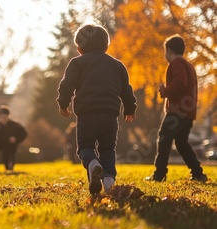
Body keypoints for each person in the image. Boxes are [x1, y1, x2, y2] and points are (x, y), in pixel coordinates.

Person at [57, 23, 137, 194]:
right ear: (107, 47)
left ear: (79, 48)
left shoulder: (77, 63)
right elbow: (126, 89)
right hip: (110, 116)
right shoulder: (117, 65)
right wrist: (130, 108)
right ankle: (108, 181)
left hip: (87, 115)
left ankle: (93, 164)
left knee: (85, 147)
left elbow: (67, 86)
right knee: (107, 149)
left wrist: (63, 105)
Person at [146, 35, 207, 183]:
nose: (165, 55)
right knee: (181, 143)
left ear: (169, 50)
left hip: (177, 111)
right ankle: (198, 174)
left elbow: (180, 83)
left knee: (164, 138)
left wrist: (166, 91)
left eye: (165, 51)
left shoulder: (177, 63)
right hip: (188, 112)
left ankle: (159, 174)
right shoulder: (189, 65)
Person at [0, 106, 27, 173]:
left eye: (5, 116)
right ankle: (6, 169)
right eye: (2, 116)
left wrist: (16, 138)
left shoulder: (14, 125)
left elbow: (24, 133)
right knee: (5, 157)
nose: (3, 117)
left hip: (12, 145)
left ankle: (11, 168)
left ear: (8, 115)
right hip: (3, 146)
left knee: (11, 156)